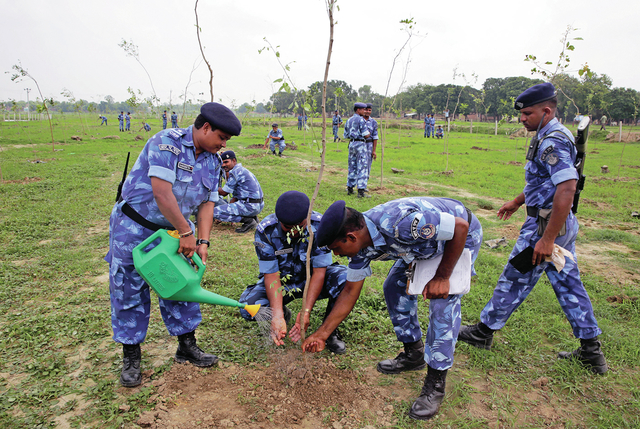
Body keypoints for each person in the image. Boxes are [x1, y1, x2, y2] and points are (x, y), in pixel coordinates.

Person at [457, 82, 608, 375]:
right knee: (568, 284)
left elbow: (566, 188)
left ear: (546, 110)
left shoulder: (552, 140)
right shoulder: (550, 134)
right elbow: (544, 181)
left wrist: (547, 238)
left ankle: (483, 332)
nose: (522, 118)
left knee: (515, 277)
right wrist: (516, 201)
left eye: (527, 113)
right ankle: (591, 351)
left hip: (547, 224)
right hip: (555, 222)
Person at [303, 197, 483, 420]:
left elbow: (459, 227)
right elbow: (349, 292)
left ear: (350, 237)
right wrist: (322, 334)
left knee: (442, 304)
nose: (337, 256)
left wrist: (442, 276)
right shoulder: (360, 246)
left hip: (458, 238)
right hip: (420, 246)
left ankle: (435, 384)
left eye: (337, 249)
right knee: (393, 286)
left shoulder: (401, 223)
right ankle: (414, 353)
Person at [105, 102, 241, 388]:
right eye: (221, 138)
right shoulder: (167, 143)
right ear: (205, 127)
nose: (223, 144)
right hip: (135, 228)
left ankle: (186, 346)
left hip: (174, 234)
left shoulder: (213, 161)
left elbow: (207, 204)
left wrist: (202, 240)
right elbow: (162, 193)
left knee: (180, 283)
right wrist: (185, 231)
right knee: (128, 288)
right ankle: (131, 357)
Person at [238, 191, 348, 354]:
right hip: (282, 284)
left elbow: (319, 272)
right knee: (249, 307)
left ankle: (329, 330)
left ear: (307, 217)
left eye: (300, 226)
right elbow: (271, 275)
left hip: (311, 281)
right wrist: (276, 314)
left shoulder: (319, 226)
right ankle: (283, 313)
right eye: (288, 228)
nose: (294, 232)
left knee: (345, 279)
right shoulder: (266, 231)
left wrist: (306, 311)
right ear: (279, 220)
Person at [213, 150, 264, 233]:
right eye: (222, 163)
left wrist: (209, 187)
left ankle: (248, 221)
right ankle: (252, 217)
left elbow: (224, 192)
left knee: (214, 212)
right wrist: (228, 212)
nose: (223, 165)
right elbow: (236, 196)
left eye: (226, 162)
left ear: (234, 160)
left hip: (249, 206)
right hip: (257, 205)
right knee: (226, 209)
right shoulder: (241, 170)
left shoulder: (235, 172)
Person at [344, 102, 371, 198]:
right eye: (363, 109)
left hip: (351, 144)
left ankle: (350, 188)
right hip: (360, 144)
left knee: (352, 166)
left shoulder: (349, 120)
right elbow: (366, 134)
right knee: (362, 167)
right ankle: (361, 191)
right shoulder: (361, 120)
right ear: (358, 110)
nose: (365, 111)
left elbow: (345, 135)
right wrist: (369, 133)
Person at [363, 103, 378, 188]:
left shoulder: (373, 122)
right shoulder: (359, 120)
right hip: (360, 144)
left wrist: (374, 150)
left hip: (369, 145)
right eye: (366, 110)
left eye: (369, 110)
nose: (368, 112)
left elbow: (375, 137)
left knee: (368, 165)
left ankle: (364, 186)